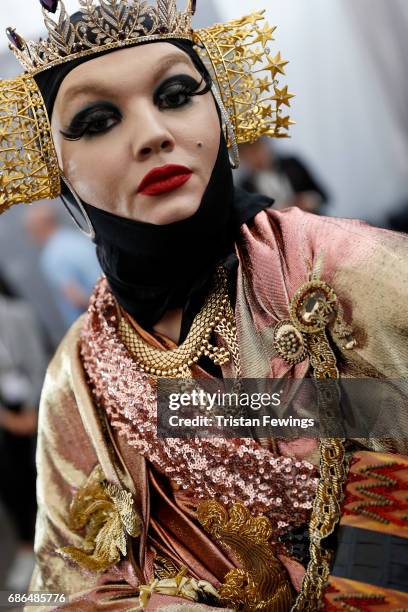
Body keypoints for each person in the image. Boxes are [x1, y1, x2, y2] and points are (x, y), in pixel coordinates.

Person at [1, 1, 408, 610]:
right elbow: (58, 590)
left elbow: (390, 433)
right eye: (96, 120)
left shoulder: (348, 272)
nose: (153, 134)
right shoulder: (79, 378)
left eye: (176, 93)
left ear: (220, 112)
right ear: (55, 167)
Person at [0, 272, 47, 590]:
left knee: (43, 470)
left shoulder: (17, 314)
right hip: (3, 413)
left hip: (32, 401)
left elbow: (37, 359)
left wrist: (31, 408)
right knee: (10, 479)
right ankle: (23, 546)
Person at [25, 204, 101, 329]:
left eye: (30, 229)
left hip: (95, 322)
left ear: (40, 226)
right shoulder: (77, 238)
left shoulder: (52, 255)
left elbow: (75, 297)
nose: (30, 236)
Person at [238, 138, 328, 213]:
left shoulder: (292, 164)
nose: (255, 157)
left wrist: (309, 200)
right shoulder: (245, 187)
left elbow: (323, 195)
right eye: (248, 153)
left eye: (257, 149)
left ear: (266, 145)